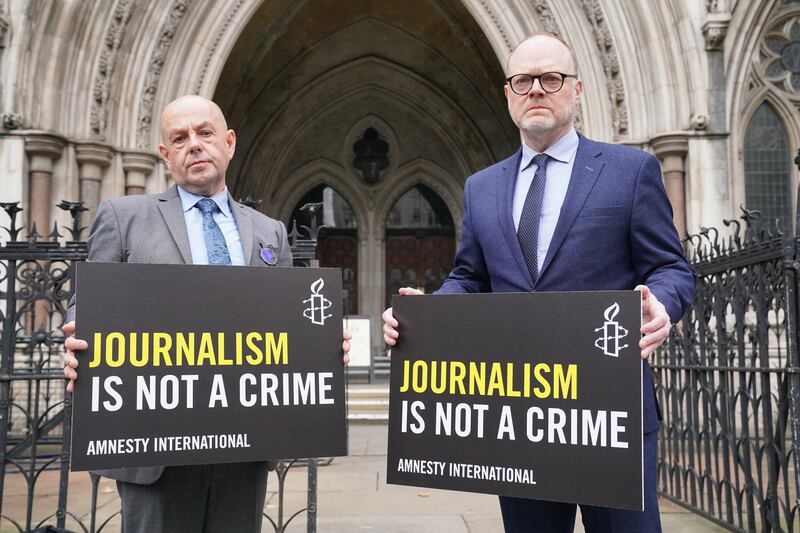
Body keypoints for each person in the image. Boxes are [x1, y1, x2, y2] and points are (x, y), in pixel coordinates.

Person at [382, 33, 694, 533]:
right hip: (522, 416)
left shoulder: (630, 171)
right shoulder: (482, 187)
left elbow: (672, 267)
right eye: (523, 81)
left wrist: (662, 304)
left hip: (607, 412)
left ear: (577, 89)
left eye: (551, 79)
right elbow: (470, 277)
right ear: (508, 93)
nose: (536, 90)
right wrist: (428, 313)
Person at [62, 95, 351, 533]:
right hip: (152, 445)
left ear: (229, 143)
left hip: (244, 444)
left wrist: (323, 345)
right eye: (179, 138)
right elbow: (88, 306)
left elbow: (291, 322)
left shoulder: (268, 230)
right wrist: (76, 339)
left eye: (205, 133)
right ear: (165, 155)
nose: (193, 145)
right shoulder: (125, 218)